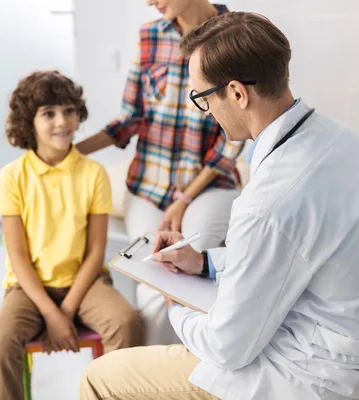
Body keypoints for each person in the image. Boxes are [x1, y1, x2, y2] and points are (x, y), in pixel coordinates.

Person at [80, 11, 359, 400]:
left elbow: (227, 348)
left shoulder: (267, 202)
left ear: (237, 93)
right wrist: (203, 264)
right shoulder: (345, 141)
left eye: (201, 98)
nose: (207, 111)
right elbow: (289, 251)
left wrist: (173, 301)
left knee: (98, 378)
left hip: (309, 376)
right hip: (358, 351)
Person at [76, 0, 243, 346]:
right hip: (148, 187)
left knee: (189, 273)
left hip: (209, 187)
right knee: (153, 282)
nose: (149, 1)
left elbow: (232, 142)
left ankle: (197, 375)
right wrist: (72, 152)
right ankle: (151, 380)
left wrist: (182, 201)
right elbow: (130, 118)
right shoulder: (150, 36)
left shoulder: (234, 36)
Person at [0, 71, 143, 400]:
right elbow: (18, 258)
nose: (63, 121)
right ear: (29, 121)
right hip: (28, 288)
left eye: (69, 111)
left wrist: (66, 311)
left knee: (128, 322)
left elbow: (96, 251)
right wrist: (52, 314)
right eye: (49, 113)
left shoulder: (93, 173)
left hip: (85, 284)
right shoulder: (11, 177)